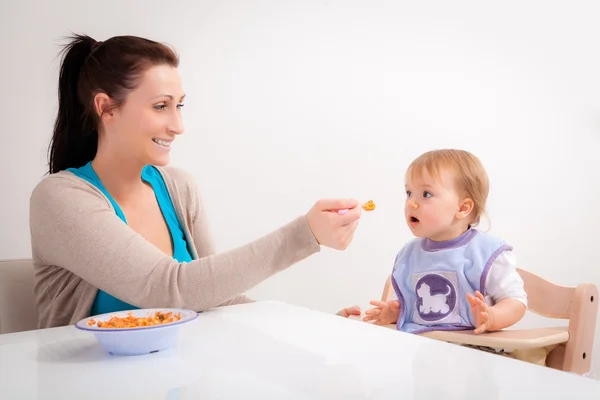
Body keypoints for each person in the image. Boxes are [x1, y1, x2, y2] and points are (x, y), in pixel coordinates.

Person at [29, 34, 362, 329]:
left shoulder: (179, 188)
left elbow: (213, 298)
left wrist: (316, 326)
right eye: (161, 106)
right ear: (107, 108)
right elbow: (171, 288)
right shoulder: (59, 198)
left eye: (179, 106)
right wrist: (304, 234)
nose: (178, 125)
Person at [338, 149, 527, 335]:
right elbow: (409, 307)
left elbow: (515, 300)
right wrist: (394, 312)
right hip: (421, 351)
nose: (411, 203)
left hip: (475, 349)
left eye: (426, 194)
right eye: (409, 193)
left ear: (462, 207)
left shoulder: (485, 253)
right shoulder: (410, 255)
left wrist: (493, 317)